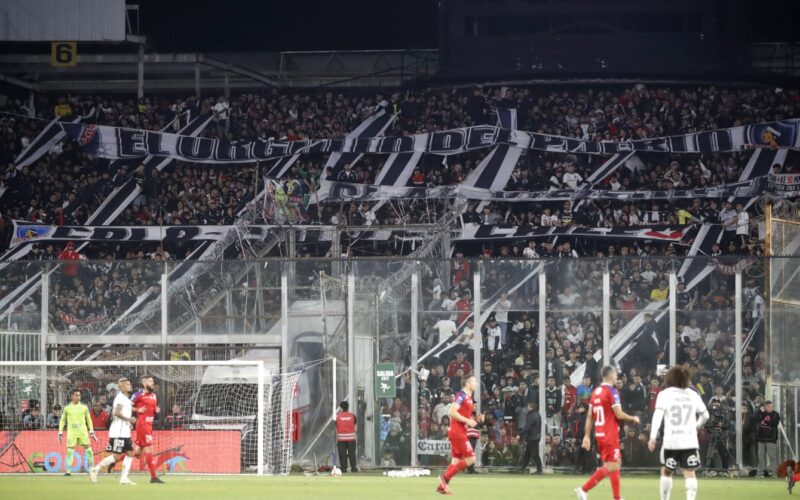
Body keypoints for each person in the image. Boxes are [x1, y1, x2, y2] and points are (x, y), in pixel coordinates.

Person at [575, 366, 640, 500]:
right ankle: (583, 489)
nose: (617, 377)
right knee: (612, 465)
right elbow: (619, 414)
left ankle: (617, 497)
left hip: (600, 434)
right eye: (616, 374)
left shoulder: (596, 392)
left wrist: (587, 436)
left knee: (615, 462)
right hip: (609, 434)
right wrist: (633, 418)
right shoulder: (612, 391)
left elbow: (589, 416)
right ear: (610, 375)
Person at [647, 366, 709, 500]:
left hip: (671, 441)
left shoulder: (664, 394)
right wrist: (696, 426)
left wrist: (652, 437)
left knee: (666, 471)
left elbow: (657, 416)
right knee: (690, 472)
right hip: (689, 440)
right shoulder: (693, 394)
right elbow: (705, 416)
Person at [437, 374, 482, 495]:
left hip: (458, 431)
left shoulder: (468, 397)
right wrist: (468, 421)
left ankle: (441, 487)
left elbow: (462, 415)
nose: (476, 383)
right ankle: (444, 478)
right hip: (457, 432)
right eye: (474, 381)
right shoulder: (461, 395)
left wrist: (475, 420)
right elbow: (452, 412)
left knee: (455, 462)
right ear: (467, 383)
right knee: (471, 459)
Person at [90, 378, 137, 485]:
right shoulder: (120, 398)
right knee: (117, 456)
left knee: (130, 453)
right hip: (118, 432)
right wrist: (129, 419)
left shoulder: (126, 398)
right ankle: (95, 469)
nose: (130, 385)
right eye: (128, 384)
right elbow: (116, 412)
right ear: (122, 386)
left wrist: (128, 423)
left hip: (124, 431)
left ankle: (124, 479)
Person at [131, 375, 164, 483]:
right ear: (144, 383)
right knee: (149, 449)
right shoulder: (138, 394)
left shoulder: (154, 395)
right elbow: (127, 406)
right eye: (150, 381)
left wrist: (156, 410)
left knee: (137, 453)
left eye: (153, 381)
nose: (152, 383)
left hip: (149, 425)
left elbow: (152, 408)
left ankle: (113, 460)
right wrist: (137, 409)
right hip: (142, 425)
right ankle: (153, 477)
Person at [58, 389, 97, 476]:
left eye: (79, 395)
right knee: (70, 451)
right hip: (72, 433)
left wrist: (91, 430)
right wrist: (60, 432)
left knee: (89, 451)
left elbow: (89, 419)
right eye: (76, 395)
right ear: (72, 396)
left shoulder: (84, 407)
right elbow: (62, 420)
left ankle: (92, 469)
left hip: (83, 432)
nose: (78, 397)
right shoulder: (67, 408)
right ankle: (68, 471)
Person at [755, 400, 779, 478]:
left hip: (771, 439)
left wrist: (764, 422)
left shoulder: (776, 414)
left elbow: (774, 423)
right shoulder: (762, 413)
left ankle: (774, 474)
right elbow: (756, 419)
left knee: (772, 456)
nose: (770, 408)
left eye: (771, 406)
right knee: (760, 457)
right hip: (761, 438)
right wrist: (759, 411)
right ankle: (759, 473)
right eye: (768, 406)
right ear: (765, 407)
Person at [518, 402, 543, 474]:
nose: (527, 408)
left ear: (530, 407)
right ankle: (522, 468)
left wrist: (520, 433)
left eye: (528, 406)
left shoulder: (531, 415)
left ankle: (539, 469)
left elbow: (527, 427)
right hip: (535, 436)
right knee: (527, 454)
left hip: (532, 437)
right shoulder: (537, 415)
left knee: (534, 454)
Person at [335, 401, 357, 473]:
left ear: (341, 408)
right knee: (352, 454)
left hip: (341, 439)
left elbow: (336, 425)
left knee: (342, 454)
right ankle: (353, 468)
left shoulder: (338, 416)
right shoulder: (352, 416)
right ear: (348, 407)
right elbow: (354, 423)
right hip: (351, 438)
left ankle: (343, 469)